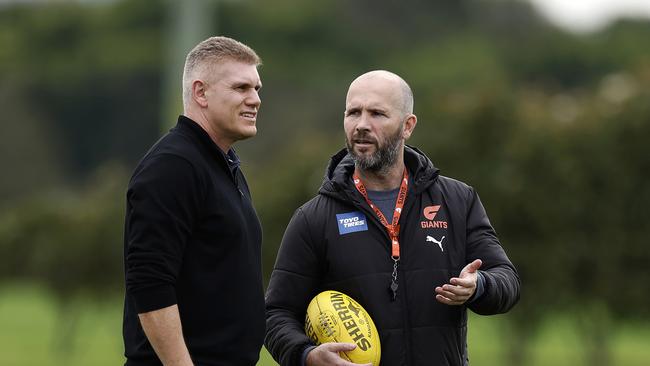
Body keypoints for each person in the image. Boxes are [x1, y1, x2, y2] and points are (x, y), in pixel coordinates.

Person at [264, 70, 520, 366]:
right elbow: (276, 314)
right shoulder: (313, 219)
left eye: (377, 114)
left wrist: (480, 286)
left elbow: (507, 280)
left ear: (407, 126)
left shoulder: (458, 201)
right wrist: (306, 355)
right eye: (353, 113)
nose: (361, 125)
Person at [123, 36, 264, 366]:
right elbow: (150, 282)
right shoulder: (173, 167)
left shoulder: (223, 165)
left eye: (257, 88)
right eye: (242, 88)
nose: (255, 99)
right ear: (201, 92)